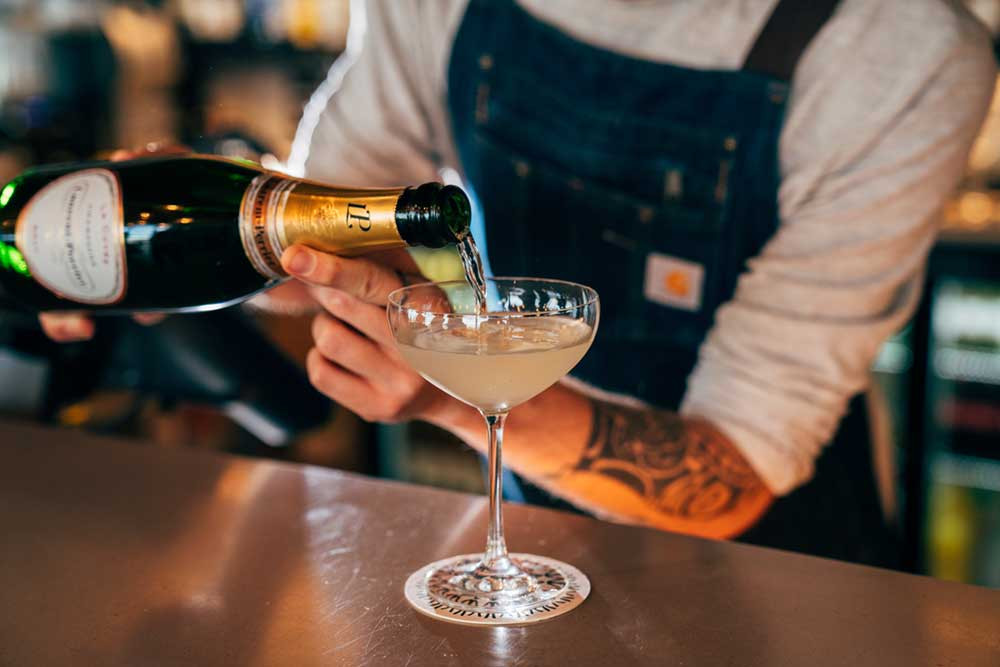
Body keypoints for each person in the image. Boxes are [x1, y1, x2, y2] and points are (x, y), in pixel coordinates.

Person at [43, 0, 996, 566]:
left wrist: (456, 392)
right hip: (533, 523)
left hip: (769, 565)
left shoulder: (900, 52)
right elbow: (329, 229)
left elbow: (734, 469)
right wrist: (191, 237)